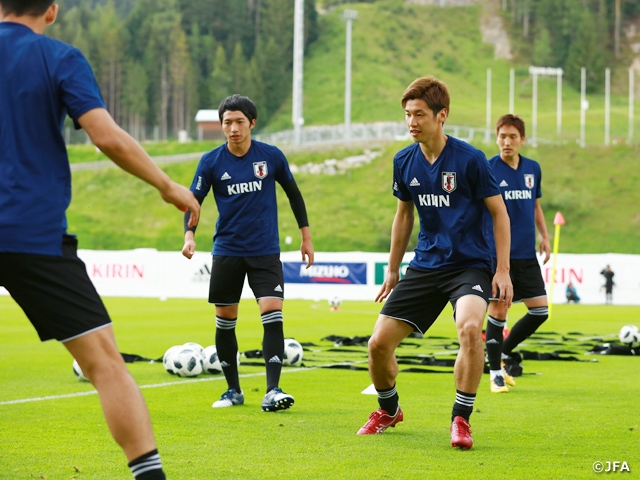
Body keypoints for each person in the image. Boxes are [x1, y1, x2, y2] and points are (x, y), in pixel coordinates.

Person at [0, 1, 201, 479]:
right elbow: (105, 137)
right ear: (51, 10)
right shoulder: (58, 57)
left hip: (32, 230)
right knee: (105, 364)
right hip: (31, 232)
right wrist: (168, 186)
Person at [356, 76, 513, 450]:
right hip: (425, 265)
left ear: (441, 116)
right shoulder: (403, 160)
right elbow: (403, 217)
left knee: (470, 327)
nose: (412, 121)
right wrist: (393, 269)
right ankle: (389, 410)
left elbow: (500, 213)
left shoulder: (470, 159)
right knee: (378, 344)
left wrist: (502, 269)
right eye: (408, 114)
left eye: (420, 114)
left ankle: (461, 419)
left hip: (469, 265)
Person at [181, 94, 314, 413]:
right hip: (227, 251)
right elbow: (192, 201)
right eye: (227, 122)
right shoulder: (211, 162)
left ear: (252, 123)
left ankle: (273, 390)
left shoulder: (270, 157)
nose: (233, 128)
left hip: (265, 252)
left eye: (239, 121)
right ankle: (233, 390)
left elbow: (294, 195)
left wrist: (305, 237)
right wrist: (189, 235)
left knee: (272, 313)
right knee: (226, 321)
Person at [483, 114, 551, 394]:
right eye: (502, 136)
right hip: (499, 256)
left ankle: (502, 352)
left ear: (523, 139)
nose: (506, 141)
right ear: (496, 138)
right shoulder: (487, 168)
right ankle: (495, 373)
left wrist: (544, 236)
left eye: (512, 136)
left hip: (526, 253)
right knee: (498, 311)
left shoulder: (533, 169)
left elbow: (535, 206)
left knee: (540, 311)